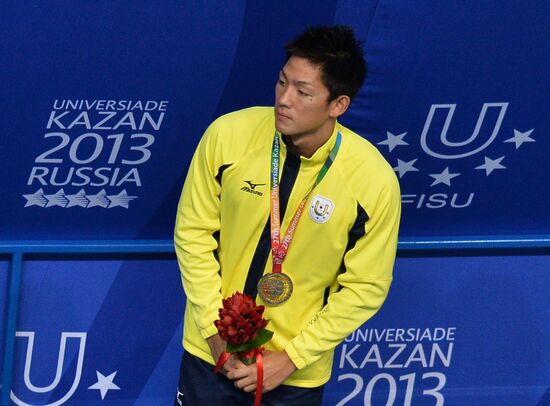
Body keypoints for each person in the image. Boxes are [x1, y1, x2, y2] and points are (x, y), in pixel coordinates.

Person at [174, 25, 401, 405]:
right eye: (282, 83)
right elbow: (192, 234)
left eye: (303, 92)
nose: (284, 99)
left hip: (293, 375)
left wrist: (292, 358)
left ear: (338, 105)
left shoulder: (372, 181)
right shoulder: (227, 136)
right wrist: (213, 329)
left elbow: (366, 286)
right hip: (209, 356)